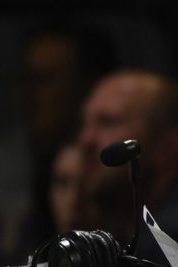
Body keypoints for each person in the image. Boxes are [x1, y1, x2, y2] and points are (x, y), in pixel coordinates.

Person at [72, 69, 178, 264]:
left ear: (166, 147)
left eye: (108, 122)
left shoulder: (168, 242)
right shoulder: (118, 231)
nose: (85, 140)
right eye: (83, 123)